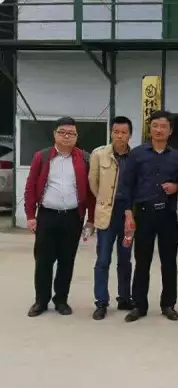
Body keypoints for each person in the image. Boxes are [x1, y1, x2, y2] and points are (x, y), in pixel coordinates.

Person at [24, 116, 95, 317]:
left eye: (71, 133)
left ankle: (61, 300)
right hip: (47, 216)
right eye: (62, 132)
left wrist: (90, 219)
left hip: (72, 217)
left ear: (76, 137)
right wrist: (30, 215)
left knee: (66, 260)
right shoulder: (42, 157)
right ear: (54, 134)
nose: (66, 136)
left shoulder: (84, 158)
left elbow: (91, 192)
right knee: (43, 261)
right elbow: (30, 187)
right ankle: (41, 300)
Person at [119, 110, 178, 323]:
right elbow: (126, 185)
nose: (159, 130)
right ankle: (139, 305)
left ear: (170, 130)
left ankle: (168, 304)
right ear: (149, 128)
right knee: (142, 261)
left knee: (169, 262)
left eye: (163, 126)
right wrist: (128, 214)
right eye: (155, 126)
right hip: (144, 214)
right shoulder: (137, 154)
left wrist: (176, 187)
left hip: (168, 215)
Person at [89, 116, 134, 320]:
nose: (119, 136)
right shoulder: (99, 154)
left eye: (123, 132)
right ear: (111, 133)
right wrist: (105, 201)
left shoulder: (135, 157)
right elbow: (93, 183)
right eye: (116, 132)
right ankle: (101, 302)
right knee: (103, 259)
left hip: (128, 216)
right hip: (107, 213)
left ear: (130, 135)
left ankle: (124, 298)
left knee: (125, 259)